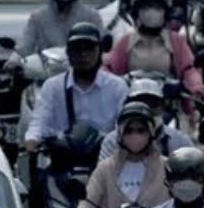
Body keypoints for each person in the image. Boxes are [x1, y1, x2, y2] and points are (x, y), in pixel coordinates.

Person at [23, 21, 127, 150]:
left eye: (89, 48)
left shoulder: (117, 86)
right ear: (68, 52)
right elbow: (39, 122)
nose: (83, 54)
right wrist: (32, 141)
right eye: (77, 48)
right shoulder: (52, 87)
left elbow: (125, 125)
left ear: (100, 51)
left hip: (105, 156)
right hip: (63, 156)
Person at [105, 0, 204, 104]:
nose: (152, 12)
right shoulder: (125, 41)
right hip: (131, 108)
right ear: (136, 12)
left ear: (166, 12)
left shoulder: (176, 41)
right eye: (146, 7)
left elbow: (188, 70)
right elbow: (109, 69)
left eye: (157, 8)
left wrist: (196, 87)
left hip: (168, 106)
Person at [74, 103, 170, 208]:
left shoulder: (167, 167)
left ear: (151, 133)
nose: (135, 135)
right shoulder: (105, 168)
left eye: (141, 130)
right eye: (129, 131)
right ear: (120, 134)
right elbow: (89, 202)